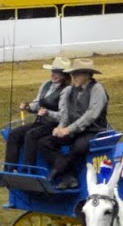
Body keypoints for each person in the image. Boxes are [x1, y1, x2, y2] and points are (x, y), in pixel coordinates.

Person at [42, 58, 108, 189]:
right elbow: (66, 113)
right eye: (73, 74)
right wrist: (60, 127)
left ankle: (59, 168)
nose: (73, 77)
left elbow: (91, 115)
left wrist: (69, 129)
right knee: (45, 142)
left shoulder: (97, 89)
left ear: (87, 75)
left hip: (94, 131)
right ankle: (69, 176)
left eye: (77, 74)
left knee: (79, 147)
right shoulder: (71, 90)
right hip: (75, 130)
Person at [6, 57, 73, 167]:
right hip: (41, 123)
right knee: (14, 134)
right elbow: (36, 104)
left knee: (31, 134)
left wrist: (47, 113)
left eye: (57, 72)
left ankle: (29, 168)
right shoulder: (46, 85)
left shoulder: (67, 90)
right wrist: (28, 107)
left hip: (55, 126)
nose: (53, 74)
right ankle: (9, 168)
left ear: (64, 75)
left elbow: (63, 116)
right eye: (53, 71)